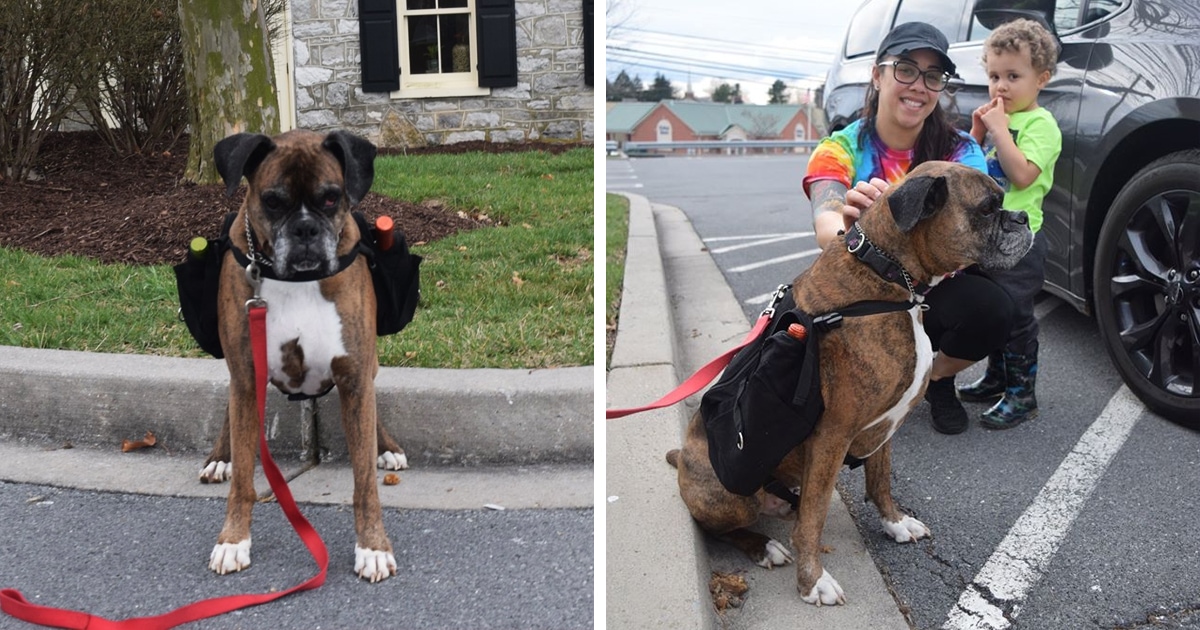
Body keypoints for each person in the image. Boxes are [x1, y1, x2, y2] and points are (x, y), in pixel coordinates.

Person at [803, 22, 1015, 434]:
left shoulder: (960, 150)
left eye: (933, 76)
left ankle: (933, 378)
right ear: (877, 74)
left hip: (936, 286)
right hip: (867, 290)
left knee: (993, 309)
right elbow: (825, 223)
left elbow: (975, 226)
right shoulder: (840, 148)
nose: (919, 85)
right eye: (905, 68)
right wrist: (851, 228)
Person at [957, 18, 1061, 428]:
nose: (1001, 86)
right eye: (994, 76)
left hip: (1020, 240)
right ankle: (997, 376)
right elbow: (974, 174)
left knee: (1017, 316)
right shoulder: (997, 122)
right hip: (986, 236)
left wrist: (1000, 131)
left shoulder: (1041, 125)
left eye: (1013, 76)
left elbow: (1021, 175)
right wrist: (977, 132)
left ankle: (1022, 394)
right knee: (996, 312)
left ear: (1041, 79)